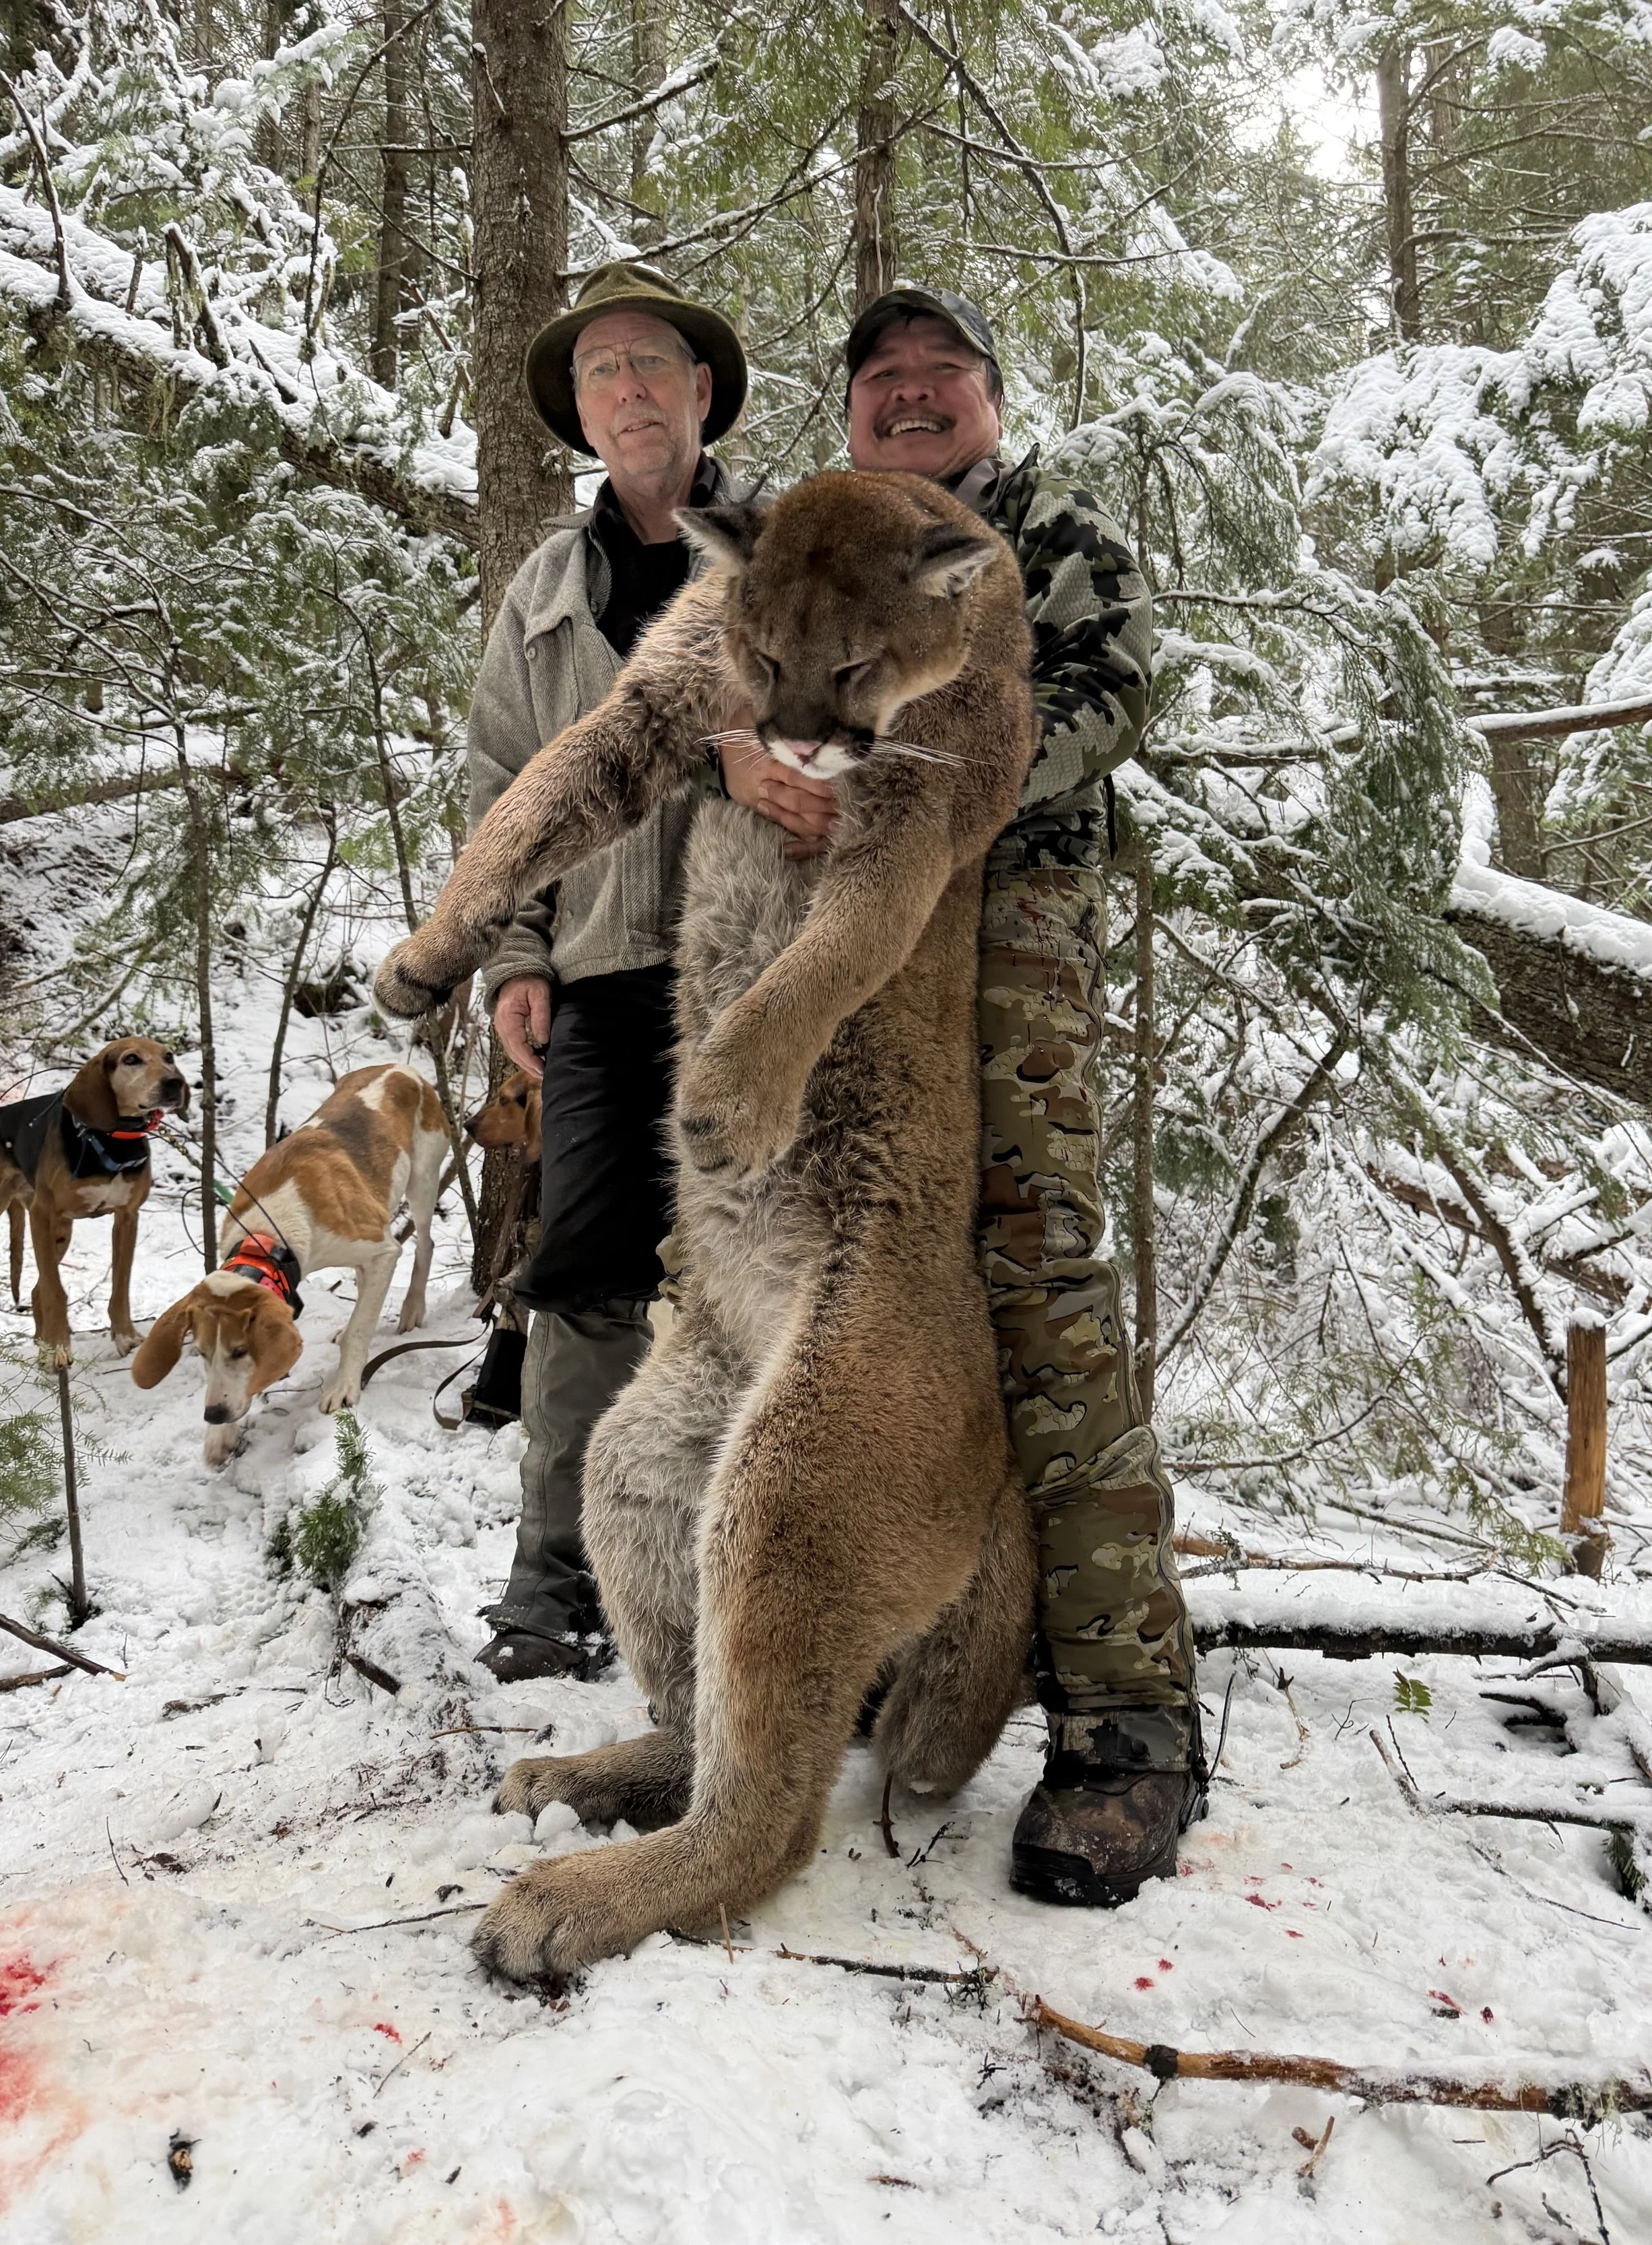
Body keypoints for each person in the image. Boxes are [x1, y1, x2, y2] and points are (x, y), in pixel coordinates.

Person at [719, 286, 1204, 1906]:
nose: (914, 395)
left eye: (945, 374)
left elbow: (1116, 696)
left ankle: (1127, 1722)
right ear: (848, 412)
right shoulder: (818, 535)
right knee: (838, 1285)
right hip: (829, 930)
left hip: (1001, 918)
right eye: (883, 378)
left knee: (1035, 1275)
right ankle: (876, 1652)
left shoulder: (1041, 531)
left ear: (990, 400)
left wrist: (930, 783)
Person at [469, 263, 748, 1683]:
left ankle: (753, 1560)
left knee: (765, 1277)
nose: (627, 389)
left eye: (651, 364)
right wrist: (515, 955)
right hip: (596, 979)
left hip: (755, 985)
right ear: (579, 417)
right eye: (600, 374)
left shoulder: (778, 554)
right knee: (580, 1273)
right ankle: (553, 1575)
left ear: (702, 394)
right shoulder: (540, 591)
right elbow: (505, 786)